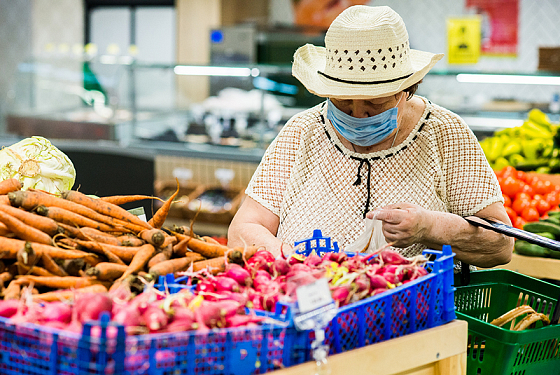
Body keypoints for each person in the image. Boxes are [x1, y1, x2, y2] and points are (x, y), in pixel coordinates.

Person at [228, 5, 513, 268]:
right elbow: (244, 229)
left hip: (419, 317)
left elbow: (500, 245)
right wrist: (297, 266)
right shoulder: (302, 131)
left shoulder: (444, 133)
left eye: (374, 103)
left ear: (406, 89)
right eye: (342, 102)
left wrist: (428, 227)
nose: (357, 114)